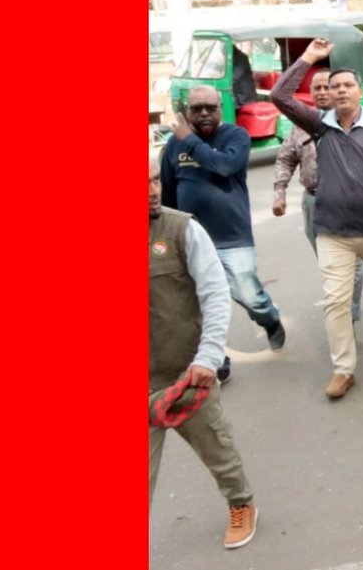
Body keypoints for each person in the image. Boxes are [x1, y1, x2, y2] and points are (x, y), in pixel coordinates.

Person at [271, 38, 363, 399]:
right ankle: (344, 369)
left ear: (360, 90)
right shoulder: (319, 125)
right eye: (335, 87)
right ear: (329, 95)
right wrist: (307, 58)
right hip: (332, 230)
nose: (341, 90)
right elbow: (279, 97)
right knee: (335, 300)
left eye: (348, 85)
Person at [148, 153, 258, 550]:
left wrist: (208, 358)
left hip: (186, 376)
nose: (152, 191)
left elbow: (214, 294)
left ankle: (241, 503)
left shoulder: (181, 230)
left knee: (219, 453)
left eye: (155, 180)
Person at [161, 86, 286, 371]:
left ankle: (269, 318)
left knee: (251, 296)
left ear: (220, 108)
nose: (203, 113)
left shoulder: (236, 136)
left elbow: (225, 166)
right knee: (200, 306)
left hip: (232, 237)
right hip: (190, 240)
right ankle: (216, 360)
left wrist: (190, 141)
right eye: (196, 108)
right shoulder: (173, 145)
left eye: (209, 107)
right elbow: (167, 191)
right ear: (186, 111)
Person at [273, 71, 363, 323]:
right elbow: (285, 158)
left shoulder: (357, 124)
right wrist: (279, 192)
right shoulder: (299, 127)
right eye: (317, 88)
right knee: (329, 264)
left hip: (349, 203)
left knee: (352, 264)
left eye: (328, 87)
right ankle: (341, 304)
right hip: (314, 201)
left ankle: (348, 313)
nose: (323, 92)